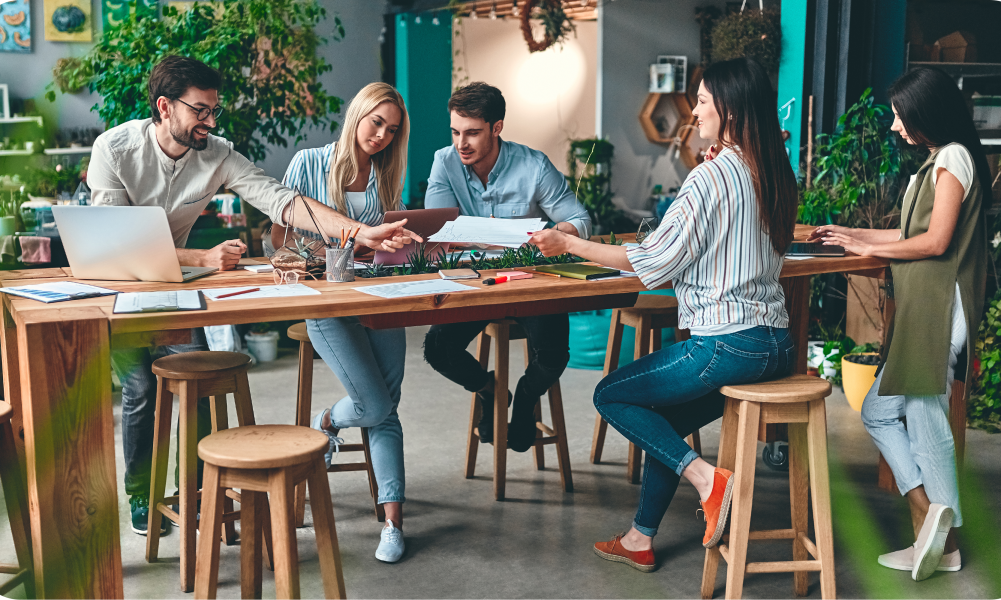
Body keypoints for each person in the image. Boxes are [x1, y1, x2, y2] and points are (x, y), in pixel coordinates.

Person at [87, 56, 420, 537]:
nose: (210, 121)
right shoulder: (114, 149)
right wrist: (200, 259)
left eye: (214, 110)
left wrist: (358, 234)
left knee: (196, 379)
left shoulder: (217, 153)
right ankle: (142, 494)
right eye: (200, 110)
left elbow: (282, 200)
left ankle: (198, 491)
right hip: (124, 285)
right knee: (140, 389)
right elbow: (117, 242)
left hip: (176, 288)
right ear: (165, 107)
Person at [528, 57, 797, 572]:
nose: (694, 112)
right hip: (776, 346)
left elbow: (651, 263)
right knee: (664, 423)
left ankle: (707, 480)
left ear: (732, 112)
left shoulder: (711, 177)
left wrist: (566, 243)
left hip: (727, 345)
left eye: (701, 101)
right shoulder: (776, 170)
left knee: (611, 394)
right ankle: (639, 538)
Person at [809, 67, 988, 581]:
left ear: (925, 113)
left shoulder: (953, 156)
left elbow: (936, 243)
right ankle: (928, 518)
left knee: (926, 418)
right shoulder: (937, 161)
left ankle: (943, 538)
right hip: (922, 309)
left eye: (899, 115)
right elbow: (911, 233)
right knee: (880, 411)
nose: (893, 126)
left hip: (938, 310)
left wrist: (866, 246)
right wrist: (852, 232)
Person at [281, 82, 412, 563]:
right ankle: (329, 420)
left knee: (386, 407)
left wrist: (402, 244)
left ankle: (394, 523)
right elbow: (283, 245)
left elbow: (386, 247)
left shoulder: (384, 174)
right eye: (376, 121)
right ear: (357, 112)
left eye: (392, 130)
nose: (381, 135)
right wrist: (353, 245)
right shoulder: (308, 163)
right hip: (327, 302)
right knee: (375, 403)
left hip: (380, 297)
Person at [422, 82, 591, 452]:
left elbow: (580, 219)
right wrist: (505, 235)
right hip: (474, 283)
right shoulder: (444, 162)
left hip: (528, 280)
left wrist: (556, 234)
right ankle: (492, 391)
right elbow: (439, 231)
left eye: (472, 133)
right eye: (455, 132)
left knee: (553, 355)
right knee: (437, 348)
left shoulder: (533, 165)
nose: (461, 143)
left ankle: (525, 401)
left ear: (496, 128)